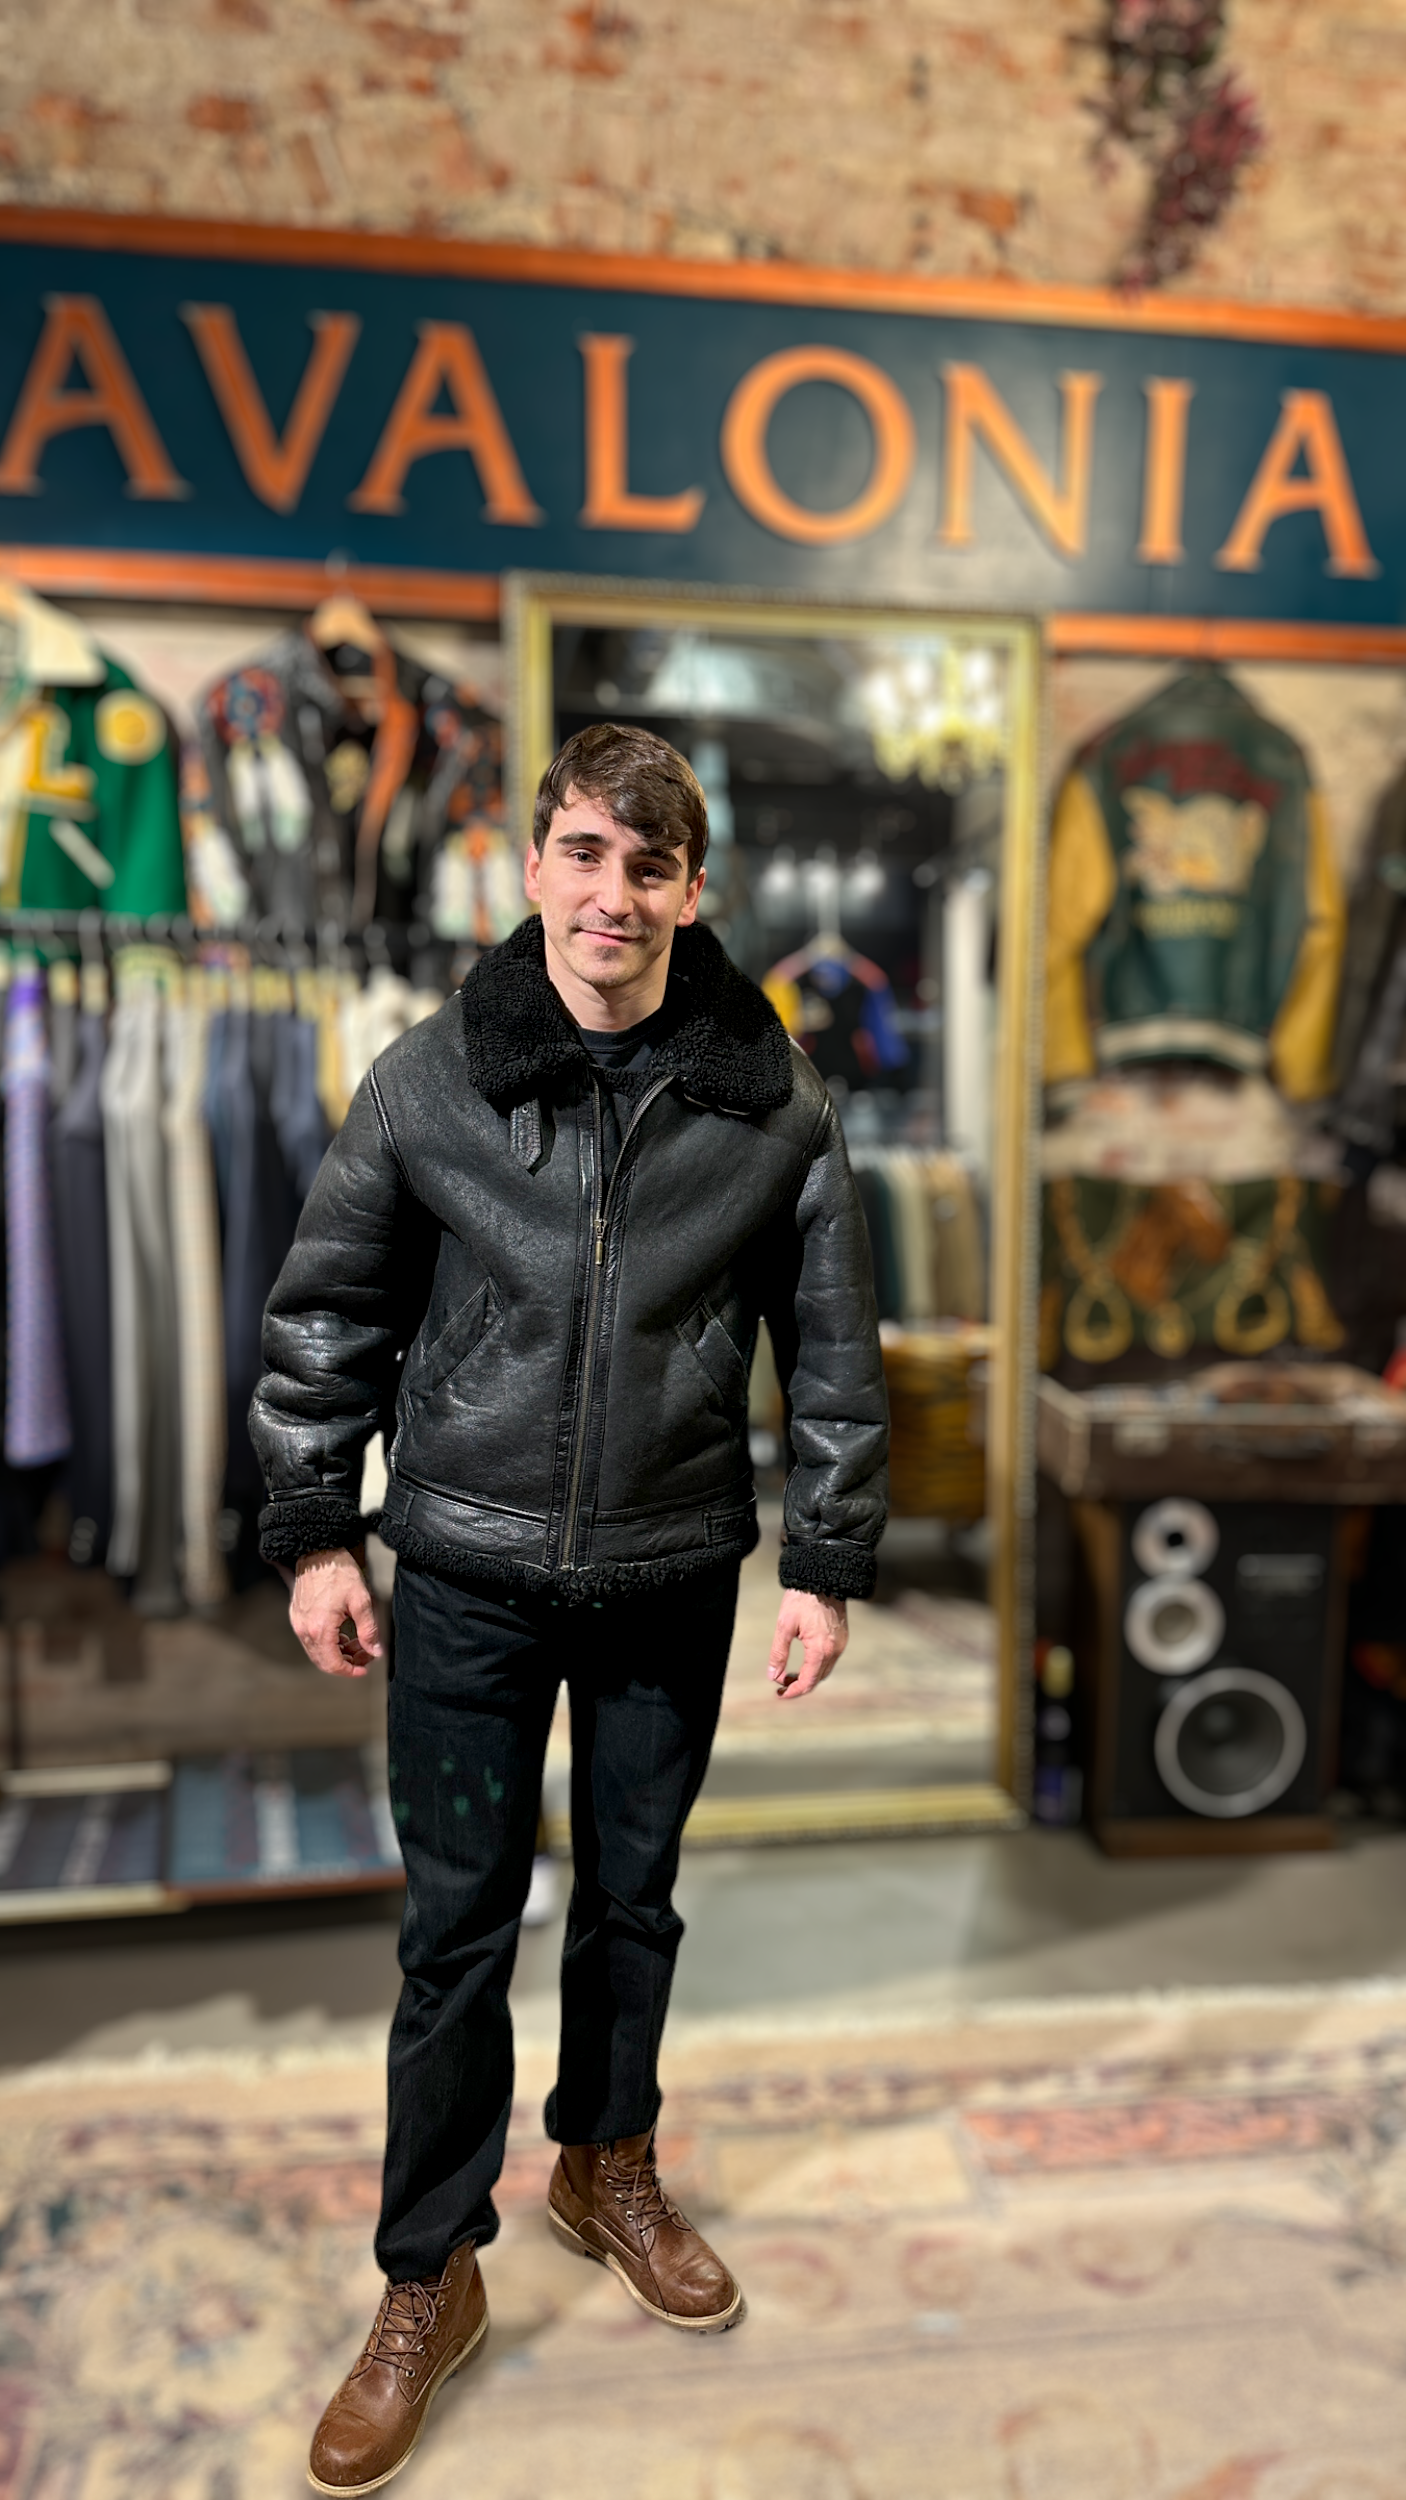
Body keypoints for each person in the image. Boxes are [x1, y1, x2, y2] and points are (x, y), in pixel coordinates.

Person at [252, 722, 888, 2496]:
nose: (612, 894)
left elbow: (835, 1349)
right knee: (454, 1932)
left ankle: (606, 2167)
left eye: (648, 864)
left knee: (633, 1905)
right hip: (461, 1571)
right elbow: (325, 1318)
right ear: (532, 865)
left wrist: (827, 1560)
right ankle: (426, 2272)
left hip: (669, 1573)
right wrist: (316, 1534)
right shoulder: (428, 1080)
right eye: (584, 854)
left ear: (693, 889)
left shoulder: (772, 1100)